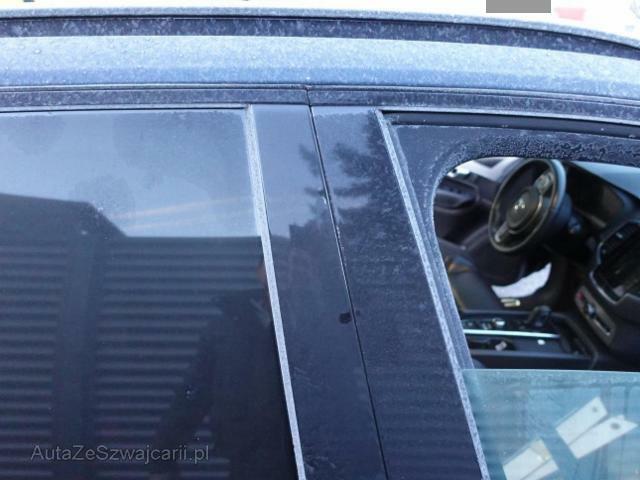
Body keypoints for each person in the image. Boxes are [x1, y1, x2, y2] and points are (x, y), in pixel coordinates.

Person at [149, 259, 296, 479]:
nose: (281, 270)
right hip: (247, 464)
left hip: (311, 463)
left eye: (291, 263)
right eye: (273, 261)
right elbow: (193, 394)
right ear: (259, 272)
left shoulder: (318, 323)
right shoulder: (225, 330)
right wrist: (162, 459)